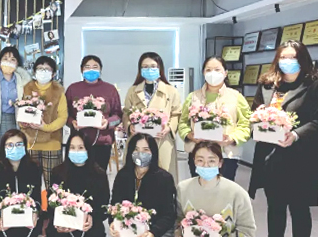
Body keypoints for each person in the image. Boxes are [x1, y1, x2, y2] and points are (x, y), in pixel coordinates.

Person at [248, 40, 318, 237]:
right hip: (271, 158)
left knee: (299, 210)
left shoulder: (312, 85)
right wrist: (256, 127)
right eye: (283, 56)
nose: (288, 61)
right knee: (275, 208)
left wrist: (295, 135)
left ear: (303, 59)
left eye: (293, 57)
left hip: (300, 159)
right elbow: (255, 113)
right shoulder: (268, 84)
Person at [175, 141, 256, 237]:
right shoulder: (183, 189)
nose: (205, 165)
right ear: (193, 161)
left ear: (220, 163)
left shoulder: (236, 193)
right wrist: (178, 236)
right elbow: (177, 219)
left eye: (211, 160)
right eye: (200, 160)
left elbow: (248, 230)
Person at [106, 133, 178, 237]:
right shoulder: (123, 175)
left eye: (146, 150)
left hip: (158, 232)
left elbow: (169, 215)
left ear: (153, 152)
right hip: (131, 229)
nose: (141, 154)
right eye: (136, 149)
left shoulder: (164, 178)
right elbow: (115, 204)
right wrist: (113, 223)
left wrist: (153, 233)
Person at [46, 131, 110, 237]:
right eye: (72, 147)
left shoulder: (99, 174)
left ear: (88, 149)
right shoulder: (58, 172)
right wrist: (59, 219)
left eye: (81, 148)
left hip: (88, 223)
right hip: (64, 222)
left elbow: (104, 206)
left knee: (96, 233)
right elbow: (50, 203)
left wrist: (92, 218)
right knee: (54, 233)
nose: (76, 151)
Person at [178, 56, 250, 181]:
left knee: (224, 189)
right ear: (203, 73)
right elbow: (183, 122)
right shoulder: (193, 97)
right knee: (198, 188)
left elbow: (246, 124)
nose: (213, 73)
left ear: (225, 73)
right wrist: (189, 135)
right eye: (208, 70)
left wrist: (232, 139)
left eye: (217, 70)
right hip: (198, 154)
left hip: (226, 155)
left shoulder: (236, 97)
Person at [123, 52, 181, 181]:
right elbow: (126, 113)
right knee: (137, 174)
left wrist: (169, 128)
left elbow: (176, 114)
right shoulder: (133, 91)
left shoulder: (170, 91)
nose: (149, 70)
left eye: (153, 66)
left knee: (162, 176)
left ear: (160, 68)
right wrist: (129, 126)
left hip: (162, 139)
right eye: (145, 67)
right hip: (138, 141)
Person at [65, 55, 122, 172]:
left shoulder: (110, 89)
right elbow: (65, 114)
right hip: (78, 142)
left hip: (102, 141)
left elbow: (118, 116)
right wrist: (72, 122)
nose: (91, 70)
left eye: (95, 67)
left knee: (98, 176)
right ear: (81, 70)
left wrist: (108, 123)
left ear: (100, 70)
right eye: (87, 67)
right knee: (77, 175)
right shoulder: (73, 89)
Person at [21, 56, 68, 193]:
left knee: (53, 184)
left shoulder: (58, 91)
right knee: (30, 183)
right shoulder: (26, 88)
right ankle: (33, 205)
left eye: (47, 69)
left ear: (53, 73)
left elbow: (63, 117)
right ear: (34, 71)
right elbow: (20, 110)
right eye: (40, 68)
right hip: (31, 142)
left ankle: (52, 206)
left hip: (52, 143)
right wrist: (23, 124)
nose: (43, 72)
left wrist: (46, 127)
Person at [0, 46, 32, 158]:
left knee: (12, 150)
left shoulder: (23, 80)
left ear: (17, 63)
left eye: (13, 59)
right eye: (5, 59)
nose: (9, 62)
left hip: (14, 119)